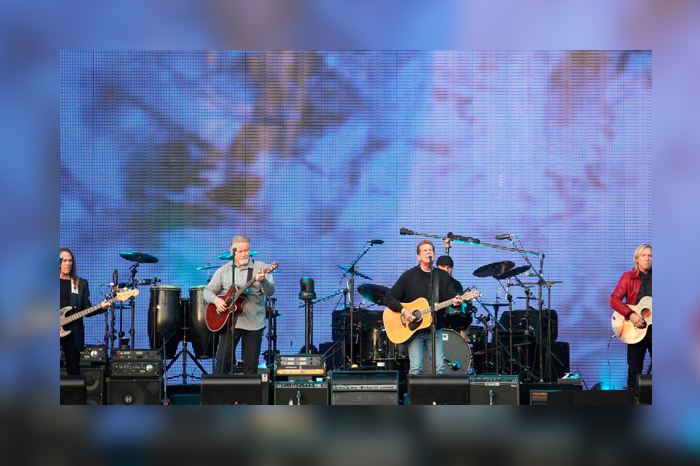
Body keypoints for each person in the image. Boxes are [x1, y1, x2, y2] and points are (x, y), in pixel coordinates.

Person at [384, 240, 463, 375]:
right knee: (415, 368)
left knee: (439, 368)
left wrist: (456, 301)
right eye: (425, 250)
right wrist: (404, 311)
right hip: (415, 330)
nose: (428, 252)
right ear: (419, 257)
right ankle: (415, 390)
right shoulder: (409, 276)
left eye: (430, 250)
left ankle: (437, 390)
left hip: (435, 328)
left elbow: (451, 295)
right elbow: (389, 297)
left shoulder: (442, 276)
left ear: (434, 255)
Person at [203, 236, 275, 375]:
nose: (244, 254)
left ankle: (249, 390)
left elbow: (270, 291)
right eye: (240, 251)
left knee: (250, 364)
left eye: (246, 250)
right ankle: (220, 388)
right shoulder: (224, 270)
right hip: (229, 322)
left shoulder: (261, 267)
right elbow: (207, 291)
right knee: (222, 359)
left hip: (254, 321)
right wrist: (216, 300)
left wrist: (263, 281)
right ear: (232, 252)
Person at [60, 248, 110, 376]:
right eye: (64, 261)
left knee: (73, 370)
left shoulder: (79, 283)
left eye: (70, 261)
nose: (68, 264)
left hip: (72, 332)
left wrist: (102, 307)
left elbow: (87, 310)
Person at [610, 244, 652, 390]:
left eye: (650, 256)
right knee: (634, 369)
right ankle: (633, 399)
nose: (647, 259)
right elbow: (614, 299)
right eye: (644, 256)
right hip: (636, 328)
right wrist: (631, 315)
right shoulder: (628, 277)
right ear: (637, 259)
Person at [436, 255, 474, 331]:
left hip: (450, 320)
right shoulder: (431, 282)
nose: (446, 270)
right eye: (443, 267)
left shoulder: (456, 284)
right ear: (437, 268)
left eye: (449, 267)